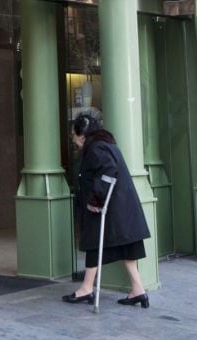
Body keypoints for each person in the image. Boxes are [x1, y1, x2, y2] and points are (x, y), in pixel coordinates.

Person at [61, 109, 151, 308]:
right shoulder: (104, 144)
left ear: (82, 134)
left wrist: (96, 200)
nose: (73, 140)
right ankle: (138, 290)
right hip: (120, 208)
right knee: (126, 246)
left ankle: (86, 289)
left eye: (74, 135)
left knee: (94, 243)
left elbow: (108, 171)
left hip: (108, 208)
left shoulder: (96, 148)